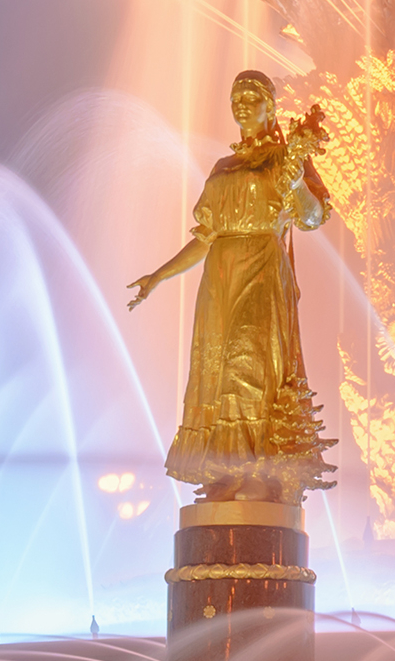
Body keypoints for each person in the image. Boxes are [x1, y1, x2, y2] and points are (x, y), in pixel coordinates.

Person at [128, 70, 338, 502]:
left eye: (251, 96)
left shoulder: (285, 158)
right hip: (219, 279)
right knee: (217, 374)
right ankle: (224, 471)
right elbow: (204, 239)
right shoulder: (223, 167)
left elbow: (313, 218)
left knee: (250, 371)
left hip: (262, 269)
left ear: (270, 106)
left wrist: (296, 180)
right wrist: (158, 277)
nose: (241, 103)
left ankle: (257, 472)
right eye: (235, 96)